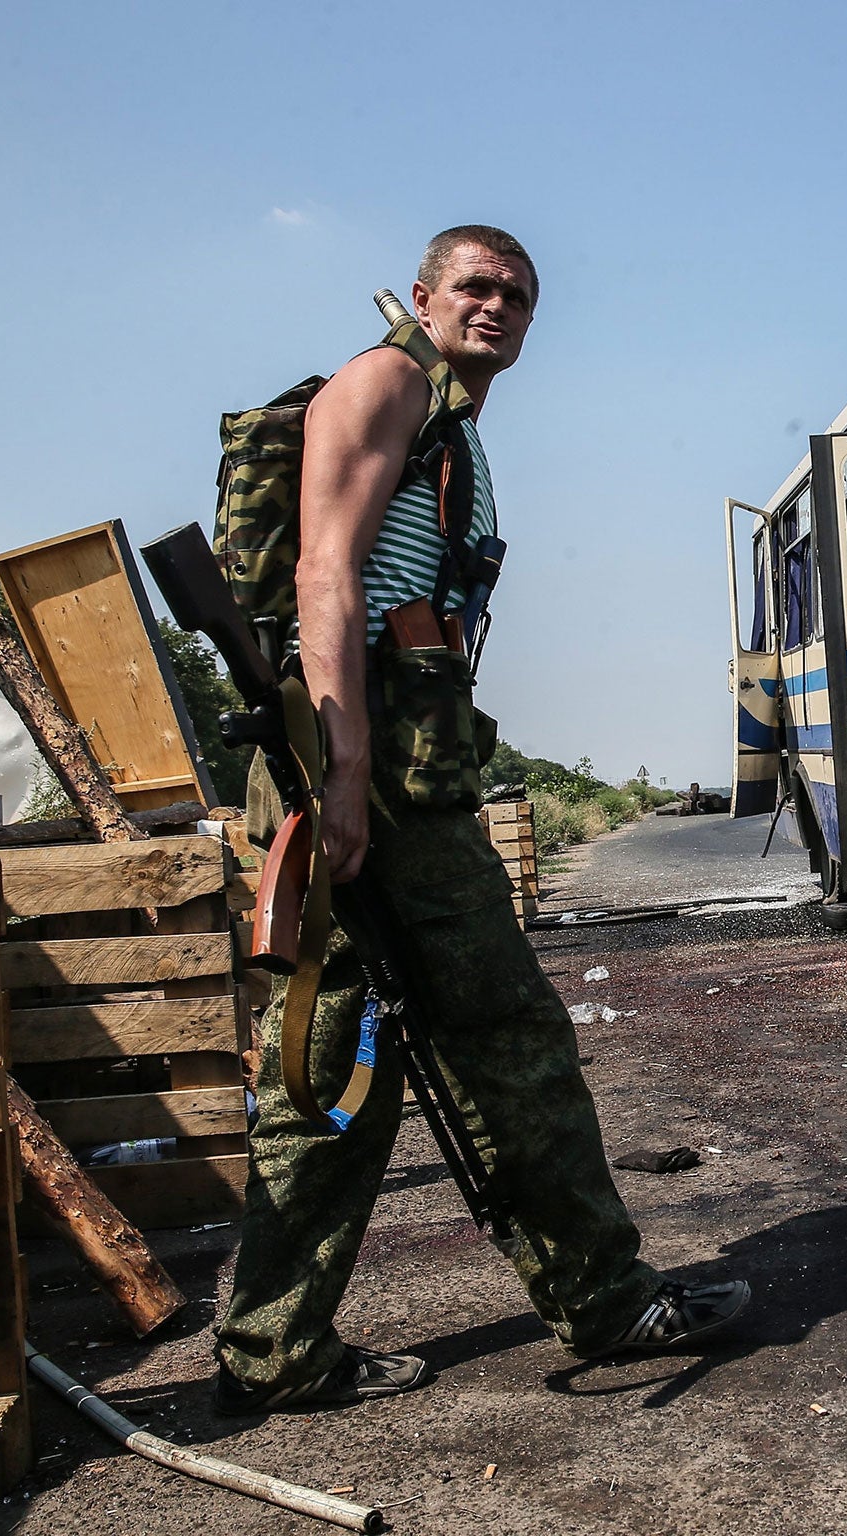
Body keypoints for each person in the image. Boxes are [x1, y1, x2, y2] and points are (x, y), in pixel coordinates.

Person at [213, 226, 750, 1413]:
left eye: (516, 292)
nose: (496, 304)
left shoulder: (450, 422)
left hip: (383, 780)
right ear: (422, 294)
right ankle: (606, 1305)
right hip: (379, 789)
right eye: (474, 285)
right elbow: (324, 573)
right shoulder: (388, 380)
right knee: (508, 1042)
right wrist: (344, 775)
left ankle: (273, 1351)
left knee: (333, 1072)